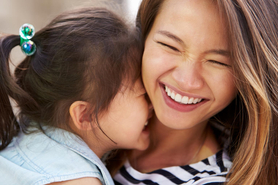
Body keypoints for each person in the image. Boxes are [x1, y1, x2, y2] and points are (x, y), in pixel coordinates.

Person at [0, 7, 152, 185]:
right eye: (144, 94)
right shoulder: (77, 181)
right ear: (85, 115)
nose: (152, 103)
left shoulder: (8, 143)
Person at [110, 0, 278, 184]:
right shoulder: (89, 103)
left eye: (218, 62)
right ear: (143, 36)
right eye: (170, 46)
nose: (187, 81)